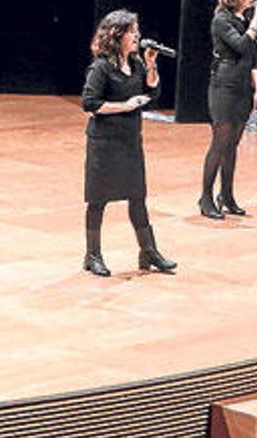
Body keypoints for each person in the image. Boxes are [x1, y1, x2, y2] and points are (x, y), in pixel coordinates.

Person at [81, 9, 177, 278]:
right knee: (98, 200)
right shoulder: (100, 67)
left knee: (137, 197)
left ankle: (148, 251)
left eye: (137, 31)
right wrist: (124, 105)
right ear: (117, 35)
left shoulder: (135, 63)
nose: (137, 36)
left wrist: (151, 65)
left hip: (130, 141)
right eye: (132, 31)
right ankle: (93, 255)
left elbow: (152, 94)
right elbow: (90, 103)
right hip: (104, 143)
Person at [198, 0, 257, 220]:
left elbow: (252, 57)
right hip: (223, 86)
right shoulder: (221, 20)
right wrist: (256, 20)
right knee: (220, 143)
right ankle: (205, 198)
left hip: (243, 88)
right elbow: (241, 46)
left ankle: (226, 195)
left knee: (232, 145)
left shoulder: (244, 20)